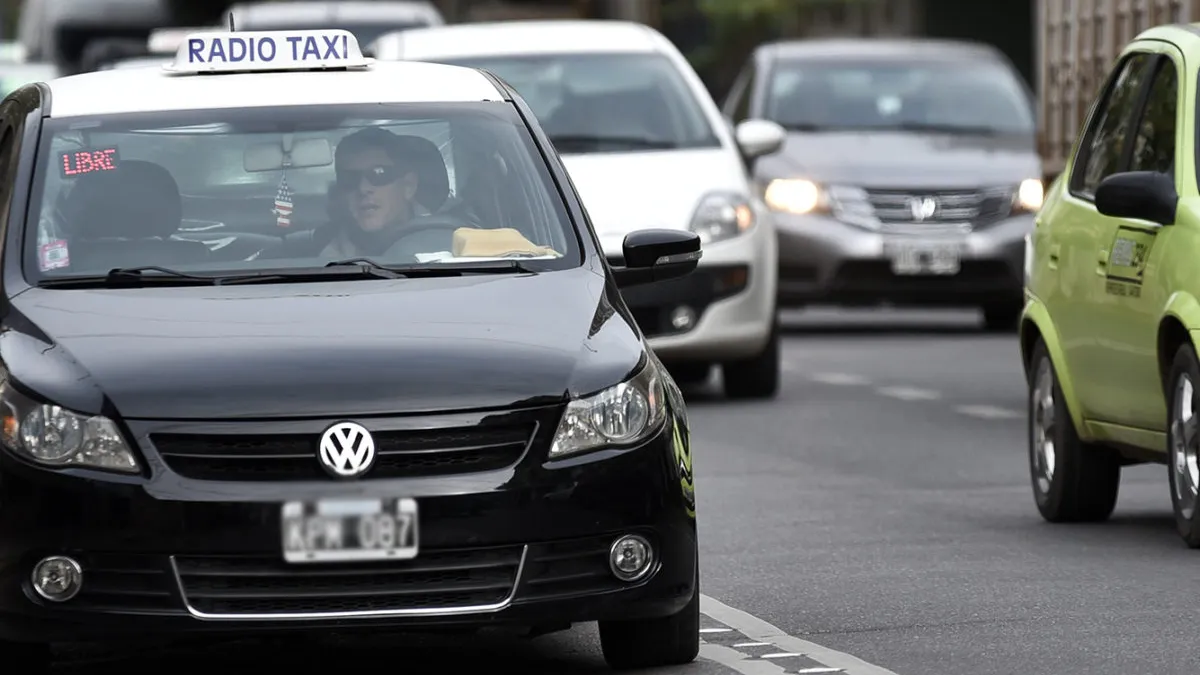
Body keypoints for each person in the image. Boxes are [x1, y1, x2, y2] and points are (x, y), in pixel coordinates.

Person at [318, 126, 432, 258]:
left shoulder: (453, 245)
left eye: (378, 173)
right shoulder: (329, 265)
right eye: (350, 179)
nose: (363, 188)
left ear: (408, 185)